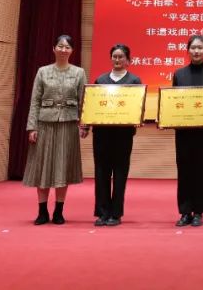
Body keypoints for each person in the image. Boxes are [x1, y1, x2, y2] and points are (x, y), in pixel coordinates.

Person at [24, 34, 89, 225]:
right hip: (44, 123)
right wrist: (32, 127)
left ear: (72, 50)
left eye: (67, 47)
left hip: (68, 124)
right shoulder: (42, 71)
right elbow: (35, 101)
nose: (63, 49)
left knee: (63, 166)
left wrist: (84, 125)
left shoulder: (79, 72)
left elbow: (84, 101)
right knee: (42, 167)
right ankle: (42, 211)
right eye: (60, 46)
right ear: (53, 48)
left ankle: (59, 211)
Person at [172, 34, 203, 228]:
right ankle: (185, 211)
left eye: (200, 48)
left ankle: (199, 211)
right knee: (184, 169)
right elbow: (173, 101)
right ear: (188, 50)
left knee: (201, 169)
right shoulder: (179, 74)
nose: (196, 51)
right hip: (183, 131)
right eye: (193, 48)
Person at [89, 44, 142, 227]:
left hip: (123, 135)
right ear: (111, 59)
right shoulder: (100, 79)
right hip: (101, 134)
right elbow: (93, 105)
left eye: (121, 57)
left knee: (120, 173)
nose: (117, 60)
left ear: (128, 60)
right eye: (114, 56)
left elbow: (138, 106)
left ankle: (116, 213)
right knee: (101, 172)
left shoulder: (134, 81)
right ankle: (102, 212)